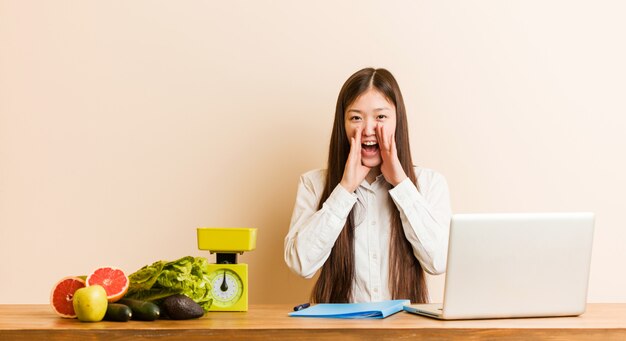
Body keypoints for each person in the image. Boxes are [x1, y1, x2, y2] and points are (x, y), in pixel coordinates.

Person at [284, 67, 451, 304]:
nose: (368, 129)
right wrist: (344, 189)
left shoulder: (429, 183)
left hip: (405, 333)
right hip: (338, 333)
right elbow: (301, 264)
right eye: (356, 118)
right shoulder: (313, 184)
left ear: (397, 121)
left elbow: (438, 262)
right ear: (342, 124)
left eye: (381, 117)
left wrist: (401, 184)